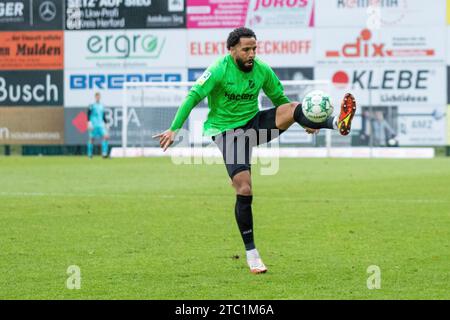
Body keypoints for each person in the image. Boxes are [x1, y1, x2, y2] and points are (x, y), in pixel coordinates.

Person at [153, 27, 356, 274]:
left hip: (255, 124)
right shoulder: (218, 70)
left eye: (254, 49)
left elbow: (280, 100)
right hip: (228, 131)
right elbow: (192, 97)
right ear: (232, 50)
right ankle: (252, 254)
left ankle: (335, 123)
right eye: (246, 49)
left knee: (294, 106)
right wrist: (174, 129)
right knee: (245, 188)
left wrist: (304, 120)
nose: (251, 54)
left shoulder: (261, 69)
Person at [87, 92, 109, 158]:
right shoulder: (92, 105)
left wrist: (106, 123)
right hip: (93, 125)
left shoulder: (102, 106)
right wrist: (89, 123)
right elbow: (88, 114)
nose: (98, 98)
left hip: (100, 125)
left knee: (106, 136)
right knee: (91, 139)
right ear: (95, 97)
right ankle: (89, 154)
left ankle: (104, 154)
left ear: (100, 97)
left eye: (99, 96)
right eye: (97, 96)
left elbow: (103, 116)